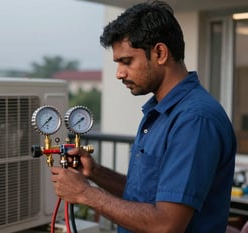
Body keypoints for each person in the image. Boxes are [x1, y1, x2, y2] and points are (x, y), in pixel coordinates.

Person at [50, 1, 237, 232]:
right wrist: (96, 173)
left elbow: (166, 224)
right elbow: (144, 197)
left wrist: (85, 193)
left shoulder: (195, 120)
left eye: (126, 61)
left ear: (160, 53)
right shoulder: (159, 112)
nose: (119, 73)